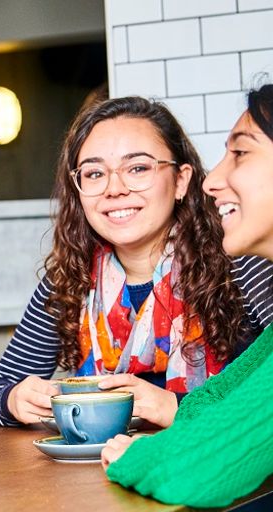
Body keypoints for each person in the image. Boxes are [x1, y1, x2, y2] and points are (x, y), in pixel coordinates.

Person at [0, 96, 273, 428]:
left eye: (138, 168)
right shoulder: (69, 282)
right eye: (94, 173)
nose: (114, 189)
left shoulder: (244, 264)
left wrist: (173, 406)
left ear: (181, 180)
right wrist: (13, 399)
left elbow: (265, 403)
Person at [101, 84, 273, 507]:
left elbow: (191, 472)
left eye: (240, 153)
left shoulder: (237, 265)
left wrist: (145, 453)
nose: (212, 180)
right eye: (93, 173)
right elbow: (219, 399)